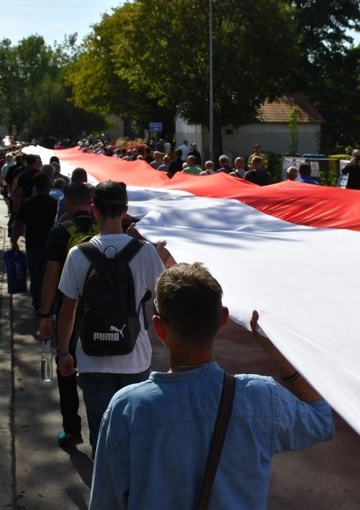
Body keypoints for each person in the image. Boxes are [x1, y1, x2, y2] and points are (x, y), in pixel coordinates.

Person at [89, 262, 335, 509]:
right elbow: (322, 419)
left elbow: (104, 502)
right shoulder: (262, 398)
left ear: (159, 328)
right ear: (223, 319)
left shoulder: (128, 409)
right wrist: (279, 355)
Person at [56, 181, 166, 455]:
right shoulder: (146, 252)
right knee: (135, 435)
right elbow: (165, 300)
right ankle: (134, 491)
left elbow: (68, 310)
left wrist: (63, 352)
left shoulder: (77, 255)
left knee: (102, 436)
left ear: (94, 210)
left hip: (92, 360)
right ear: (125, 210)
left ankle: (105, 490)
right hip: (135, 360)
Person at [38, 183, 101, 449]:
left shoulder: (60, 232)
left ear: (67, 205)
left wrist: (45, 314)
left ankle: (72, 430)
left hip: (69, 312)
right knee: (99, 371)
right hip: (101, 310)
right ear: (91, 204)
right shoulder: (105, 228)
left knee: (66, 366)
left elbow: (51, 278)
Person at [11, 172, 58, 313]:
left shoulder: (27, 204)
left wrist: (14, 241)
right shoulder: (55, 204)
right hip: (51, 246)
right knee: (50, 276)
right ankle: (49, 304)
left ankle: (38, 304)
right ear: (49, 186)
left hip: (33, 244)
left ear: (35, 186)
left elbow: (18, 225)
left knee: (36, 276)